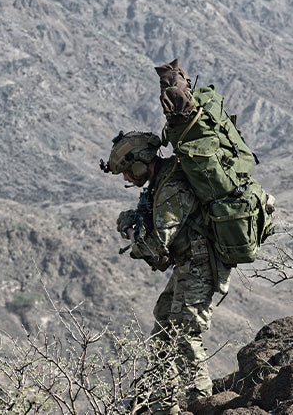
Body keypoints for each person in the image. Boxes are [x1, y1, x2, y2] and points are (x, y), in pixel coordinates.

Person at [101, 130, 229, 414]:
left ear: (140, 163)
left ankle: (201, 401)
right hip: (188, 263)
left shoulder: (172, 185)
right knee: (163, 323)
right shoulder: (161, 181)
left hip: (199, 264)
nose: (126, 178)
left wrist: (131, 232)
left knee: (185, 332)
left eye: (126, 171)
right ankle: (163, 402)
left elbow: (157, 243)